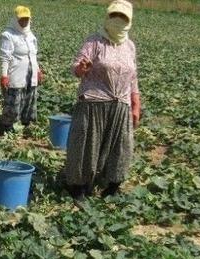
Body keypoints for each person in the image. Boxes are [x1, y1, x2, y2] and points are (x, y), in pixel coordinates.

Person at [63, 0, 141, 201]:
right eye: (115, 15)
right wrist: (81, 68)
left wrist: (135, 104)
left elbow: (133, 78)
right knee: (86, 147)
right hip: (93, 102)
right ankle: (78, 187)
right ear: (108, 17)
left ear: (129, 20)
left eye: (123, 17)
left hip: (121, 104)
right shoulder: (95, 41)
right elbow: (76, 68)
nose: (118, 20)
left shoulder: (129, 46)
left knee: (121, 147)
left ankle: (112, 186)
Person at [0, 6, 44, 132]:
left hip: (31, 74)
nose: (24, 22)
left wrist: (38, 71)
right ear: (15, 19)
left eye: (26, 19)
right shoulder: (8, 35)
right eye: (21, 19)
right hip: (16, 74)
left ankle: (25, 126)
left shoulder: (30, 35)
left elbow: (33, 55)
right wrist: (4, 75)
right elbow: (5, 57)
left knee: (29, 99)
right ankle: (8, 128)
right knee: (14, 102)